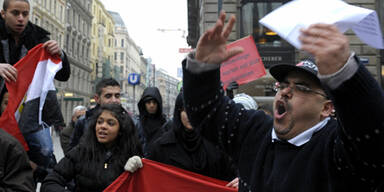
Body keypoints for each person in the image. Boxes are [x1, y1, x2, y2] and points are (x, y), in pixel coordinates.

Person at [180, 11, 384, 191]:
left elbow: (372, 135)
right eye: (283, 84)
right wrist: (202, 69)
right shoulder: (255, 132)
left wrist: (346, 73)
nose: (286, 91)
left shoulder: (336, 148)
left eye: (302, 87)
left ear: (326, 108)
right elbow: (207, 112)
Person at [0, 0, 70, 184]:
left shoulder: (39, 38)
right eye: (15, 13)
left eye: (25, 14)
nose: (21, 18)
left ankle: (32, 180)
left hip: (28, 109)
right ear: (3, 13)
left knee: (45, 150)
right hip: (3, 106)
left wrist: (59, 54)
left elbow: (63, 75)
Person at [41, 104, 143, 191]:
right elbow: (50, 182)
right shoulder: (81, 151)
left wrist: (137, 170)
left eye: (110, 123)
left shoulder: (131, 155)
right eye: (99, 122)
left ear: (121, 129)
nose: (103, 126)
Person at [147, 92, 237, 183]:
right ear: (178, 113)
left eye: (195, 109)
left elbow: (231, 173)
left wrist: (238, 181)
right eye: (185, 110)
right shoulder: (161, 147)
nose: (191, 115)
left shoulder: (216, 143)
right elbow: (149, 175)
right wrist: (138, 166)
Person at [69, 78, 121, 150]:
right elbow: (72, 152)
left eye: (117, 96)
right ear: (97, 99)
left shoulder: (131, 122)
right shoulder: (83, 121)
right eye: (108, 96)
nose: (114, 100)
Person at [136, 86, 171, 156]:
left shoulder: (165, 124)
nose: (152, 105)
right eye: (148, 102)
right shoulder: (138, 124)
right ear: (144, 104)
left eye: (154, 102)